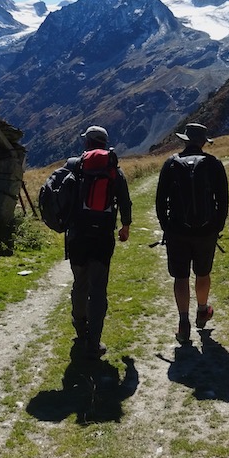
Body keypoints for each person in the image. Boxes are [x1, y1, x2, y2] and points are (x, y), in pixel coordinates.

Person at [155, 122, 229, 344]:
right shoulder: (214, 164)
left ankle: (183, 321)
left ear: (185, 140)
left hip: (177, 230)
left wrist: (166, 225)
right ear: (204, 142)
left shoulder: (171, 164)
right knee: (203, 272)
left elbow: (160, 200)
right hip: (206, 231)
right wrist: (216, 226)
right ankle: (203, 310)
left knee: (180, 276)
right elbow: (222, 201)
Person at [65, 125, 132, 358]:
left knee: (79, 282)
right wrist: (125, 226)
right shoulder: (114, 170)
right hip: (103, 236)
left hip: (77, 236)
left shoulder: (74, 166)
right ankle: (94, 342)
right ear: (104, 144)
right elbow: (125, 200)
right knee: (98, 288)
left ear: (88, 143)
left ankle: (79, 326)